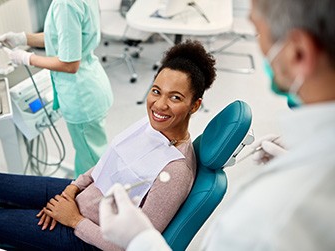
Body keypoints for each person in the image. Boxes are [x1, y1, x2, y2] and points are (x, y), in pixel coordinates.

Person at [0, 40, 216, 250]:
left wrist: (72, 219)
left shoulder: (176, 172)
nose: (160, 104)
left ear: (195, 105)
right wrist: (71, 189)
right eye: (156, 91)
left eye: (175, 97)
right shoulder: (151, 125)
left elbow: (133, 244)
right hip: (81, 195)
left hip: (86, 236)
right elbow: (106, 164)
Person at [98, 0, 335, 250]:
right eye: (156, 91)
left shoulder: (269, 218)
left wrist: (140, 242)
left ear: (297, 53)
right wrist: (298, 156)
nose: (160, 104)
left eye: (258, 32)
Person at [0, 0, 114, 177]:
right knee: (91, 152)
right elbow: (62, 36)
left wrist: (27, 58)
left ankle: (92, 201)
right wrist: (22, 38)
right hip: (92, 83)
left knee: (92, 166)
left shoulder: (66, 4)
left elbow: (70, 64)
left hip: (81, 94)